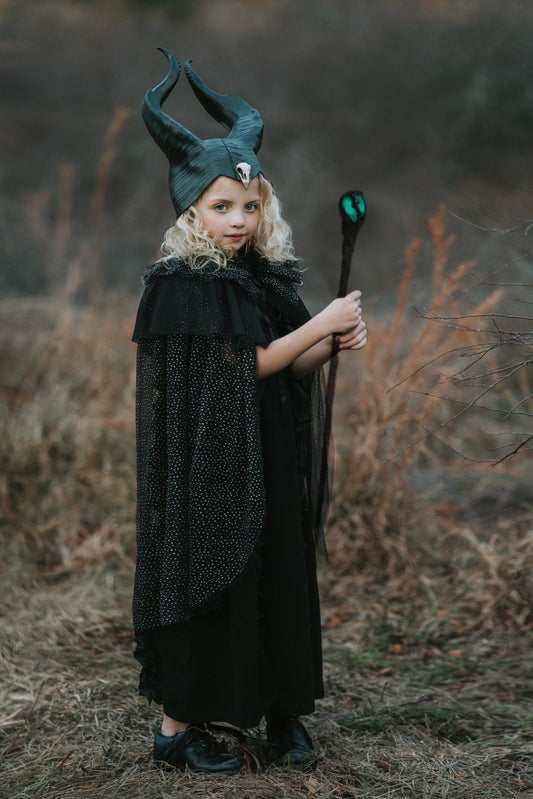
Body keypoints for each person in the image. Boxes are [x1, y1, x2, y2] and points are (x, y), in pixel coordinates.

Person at [132, 48, 367, 775]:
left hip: (267, 455)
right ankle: (177, 730)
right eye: (221, 206)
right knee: (213, 582)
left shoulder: (264, 280)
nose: (239, 219)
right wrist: (318, 321)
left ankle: (283, 713)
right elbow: (239, 367)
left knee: (277, 577)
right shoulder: (182, 284)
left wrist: (329, 342)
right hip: (209, 468)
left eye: (250, 205)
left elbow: (288, 368)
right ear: (191, 208)